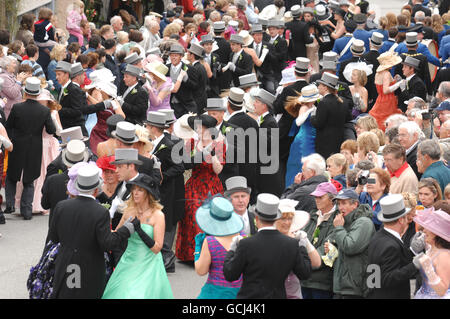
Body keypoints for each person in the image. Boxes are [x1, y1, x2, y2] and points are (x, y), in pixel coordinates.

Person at [47, 164, 135, 299]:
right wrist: (125, 230)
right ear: (96, 190)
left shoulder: (61, 206)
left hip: (66, 262)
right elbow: (107, 244)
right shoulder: (100, 212)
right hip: (90, 266)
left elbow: (54, 237)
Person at [223, 193, 313, 298]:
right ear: (276, 218)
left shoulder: (246, 244)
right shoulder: (291, 244)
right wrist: (302, 246)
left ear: (256, 218)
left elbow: (230, 274)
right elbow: (305, 273)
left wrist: (232, 249)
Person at [102, 173, 173, 299]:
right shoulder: (129, 211)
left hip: (148, 264)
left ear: (148, 193)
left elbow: (157, 248)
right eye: (134, 189)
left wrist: (139, 230)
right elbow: (117, 235)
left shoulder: (158, 215)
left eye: (140, 190)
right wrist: (105, 220)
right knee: (120, 293)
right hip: (128, 261)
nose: (135, 193)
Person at [176, 114, 226, 262]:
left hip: (212, 185)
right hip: (194, 184)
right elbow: (185, 164)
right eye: (196, 127)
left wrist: (212, 155)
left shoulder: (219, 145)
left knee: (210, 218)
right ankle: (190, 254)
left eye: (200, 127)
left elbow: (218, 170)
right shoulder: (191, 143)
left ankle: (208, 255)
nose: (198, 130)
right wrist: (199, 154)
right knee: (191, 216)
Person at [3, 78, 56, 219]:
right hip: (35, 147)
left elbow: (9, 126)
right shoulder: (44, 110)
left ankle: (10, 204)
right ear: (38, 93)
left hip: (18, 144)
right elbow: (51, 130)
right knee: (29, 178)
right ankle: (27, 211)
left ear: (26, 93)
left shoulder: (17, 108)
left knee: (12, 176)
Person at [145, 111, 185, 273]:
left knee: (165, 221)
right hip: (156, 190)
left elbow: (179, 167)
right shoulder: (152, 142)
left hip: (166, 190)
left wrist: (162, 177)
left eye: (147, 126)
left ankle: (167, 258)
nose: (146, 128)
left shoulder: (168, 145)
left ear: (154, 128)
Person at [367, 193, 419, 299]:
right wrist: (414, 265)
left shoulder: (377, 237)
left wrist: (412, 251)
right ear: (400, 220)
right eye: (405, 217)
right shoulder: (390, 245)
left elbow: (375, 276)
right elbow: (388, 278)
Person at [194, 196, 245, 299]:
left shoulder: (210, 242)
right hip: (240, 293)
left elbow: (201, 270)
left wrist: (198, 247)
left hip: (214, 293)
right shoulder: (243, 238)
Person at [330, 188, 375, 298]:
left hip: (355, 288)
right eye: (339, 204)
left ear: (355, 204)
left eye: (344, 203)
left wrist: (339, 228)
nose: (340, 207)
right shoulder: (344, 221)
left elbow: (350, 247)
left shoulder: (364, 222)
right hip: (342, 287)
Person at [275, 198, 321, 299]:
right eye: (283, 218)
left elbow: (316, 263)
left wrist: (306, 243)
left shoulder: (297, 237)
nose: (287, 222)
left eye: (290, 218)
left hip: (293, 293)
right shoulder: (268, 238)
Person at [301, 182, 340, 299]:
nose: (317, 200)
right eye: (315, 197)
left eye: (320, 197)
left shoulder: (337, 219)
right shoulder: (312, 215)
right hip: (304, 279)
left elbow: (327, 248)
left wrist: (303, 263)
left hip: (321, 282)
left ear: (332, 199)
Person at [284, 84, 321, 188]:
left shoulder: (314, 107)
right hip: (303, 139)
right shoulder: (304, 107)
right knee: (299, 164)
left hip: (312, 138)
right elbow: (298, 122)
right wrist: (309, 112)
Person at [311, 72, 352, 159]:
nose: (318, 87)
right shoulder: (343, 101)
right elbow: (348, 118)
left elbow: (318, 123)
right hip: (339, 139)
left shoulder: (323, 102)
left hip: (324, 142)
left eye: (320, 85)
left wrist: (312, 116)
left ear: (325, 87)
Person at [413, 209, 450, 298]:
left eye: (428, 228)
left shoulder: (443, 255)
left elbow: (442, 291)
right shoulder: (431, 249)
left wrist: (428, 268)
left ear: (437, 233)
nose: (424, 231)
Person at [86, 68, 123, 157]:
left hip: (110, 133)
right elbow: (97, 106)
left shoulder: (114, 101)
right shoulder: (99, 96)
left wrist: (115, 105)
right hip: (97, 133)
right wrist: (88, 96)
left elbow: (122, 116)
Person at [253, 88, 283, 196]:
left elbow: (270, 144)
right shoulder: (264, 120)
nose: (254, 104)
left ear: (264, 105)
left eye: (257, 102)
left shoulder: (270, 122)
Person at [367, 51, 403, 130]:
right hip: (388, 101)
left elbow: (381, 87)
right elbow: (386, 90)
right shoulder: (386, 73)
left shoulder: (378, 73)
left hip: (380, 99)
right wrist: (399, 84)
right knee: (387, 121)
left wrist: (394, 80)